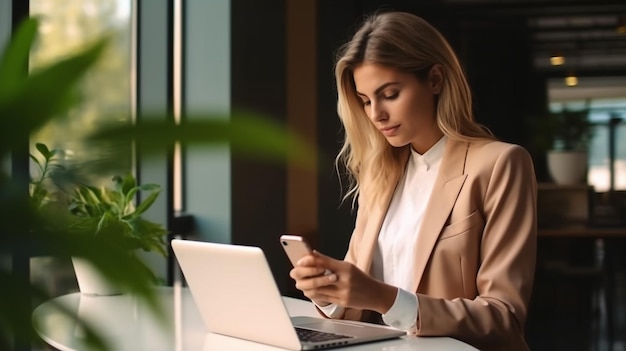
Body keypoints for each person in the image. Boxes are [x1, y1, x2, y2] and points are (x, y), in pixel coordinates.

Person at [289, 10, 537, 351]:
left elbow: (503, 319)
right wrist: (330, 294)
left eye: (390, 94)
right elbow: (357, 307)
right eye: (365, 101)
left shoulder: (500, 164)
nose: (376, 114)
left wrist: (385, 298)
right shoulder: (379, 173)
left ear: (435, 79)